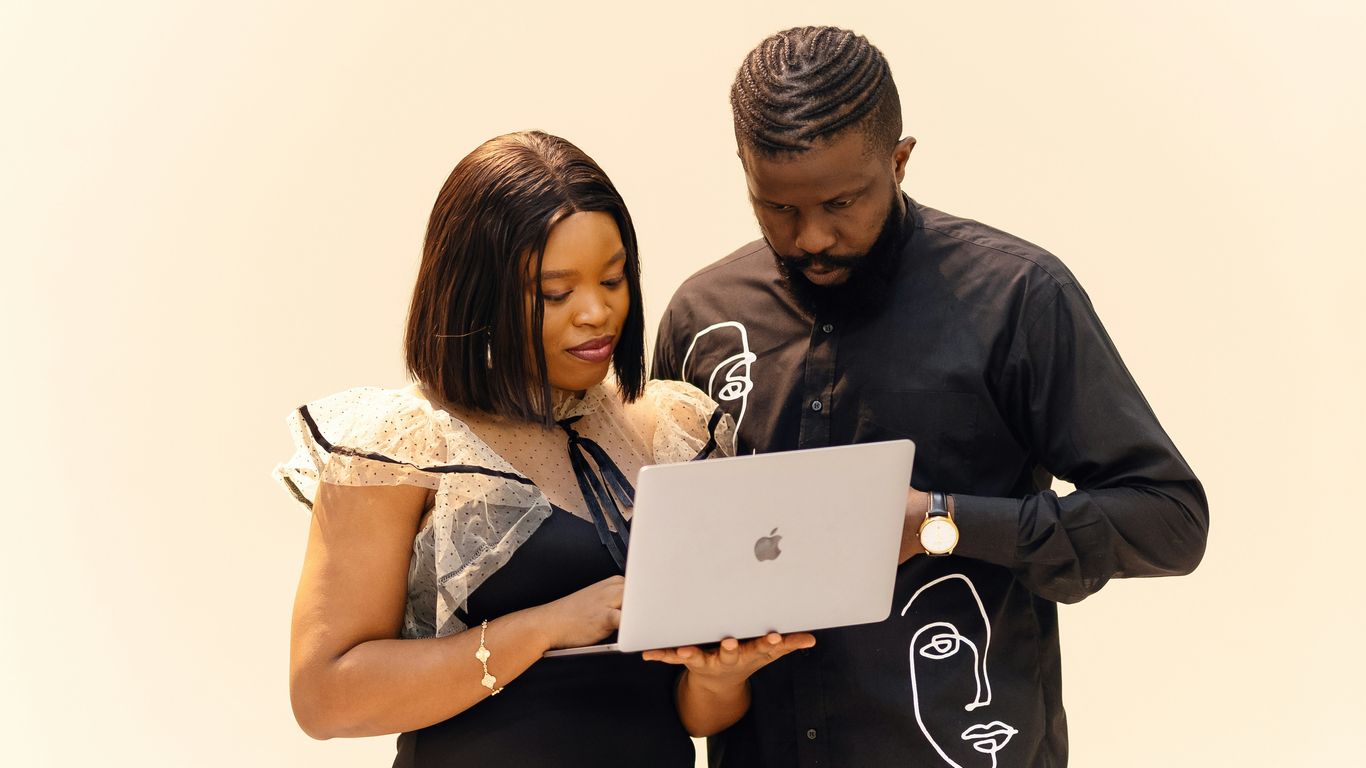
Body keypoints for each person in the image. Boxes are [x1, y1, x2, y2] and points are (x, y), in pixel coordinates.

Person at [652, 27, 1210, 767]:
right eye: (777, 208)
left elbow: (1169, 520)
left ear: (901, 159)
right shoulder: (702, 320)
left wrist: (943, 523)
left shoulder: (1018, 299)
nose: (812, 236)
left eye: (842, 201)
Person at [273, 130, 811, 767]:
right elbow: (325, 697)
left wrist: (720, 676)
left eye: (614, 280)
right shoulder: (400, 447)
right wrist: (549, 626)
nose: (596, 312)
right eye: (555, 294)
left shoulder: (677, 429)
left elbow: (694, 715)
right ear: (475, 294)